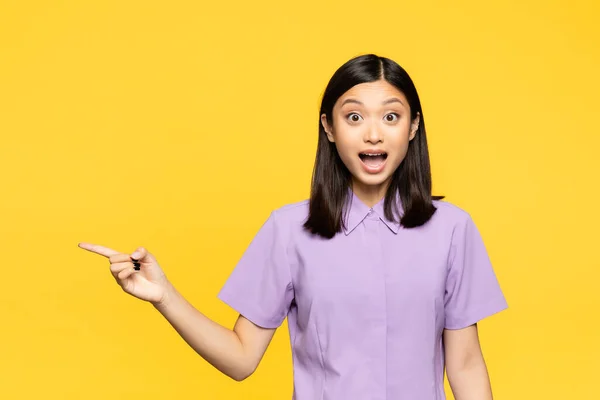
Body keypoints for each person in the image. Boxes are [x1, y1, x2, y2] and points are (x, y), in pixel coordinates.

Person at [79, 53, 508, 400]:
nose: (374, 134)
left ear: (413, 127)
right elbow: (241, 359)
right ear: (330, 128)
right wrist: (164, 296)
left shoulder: (453, 229)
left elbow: (466, 366)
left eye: (391, 117)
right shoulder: (288, 230)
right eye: (354, 117)